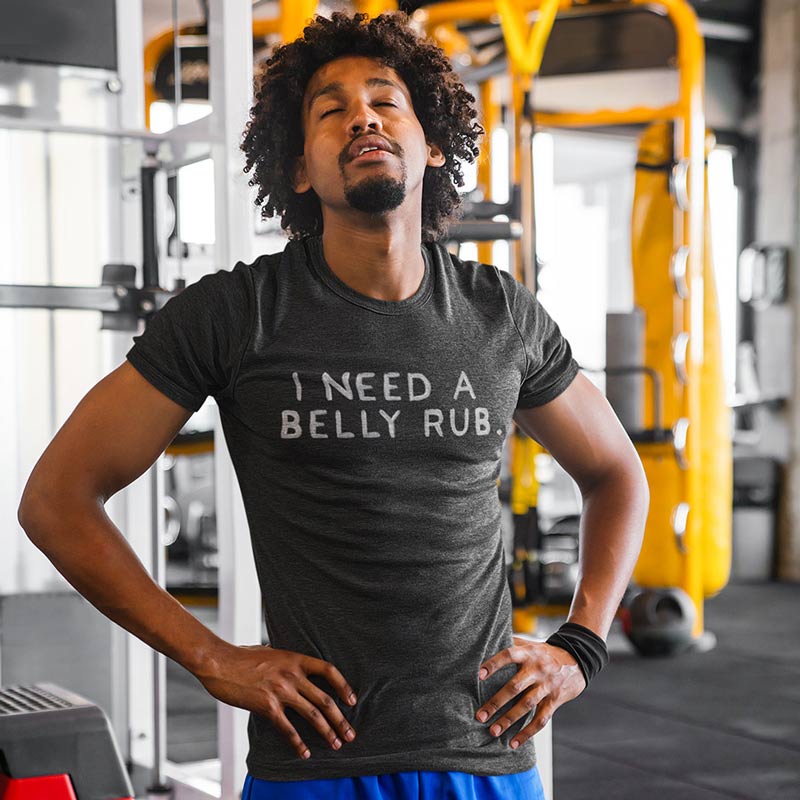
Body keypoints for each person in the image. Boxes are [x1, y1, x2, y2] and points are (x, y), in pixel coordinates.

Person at [17, 10, 648, 800]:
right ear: (300, 172)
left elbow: (617, 473)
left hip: (485, 755)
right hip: (314, 764)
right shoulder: (235, 314)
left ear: (434, 145)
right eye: (330, 109)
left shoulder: (502, 313)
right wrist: (209, 655)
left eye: (386, 101)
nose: (362, 116)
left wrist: (582, 644)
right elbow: (55, 500)